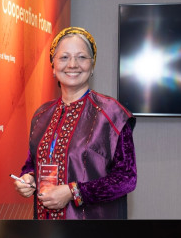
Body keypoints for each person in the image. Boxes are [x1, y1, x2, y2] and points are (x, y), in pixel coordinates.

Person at [13, 27, 137, 219]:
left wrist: (73, 192)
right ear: (53, 67)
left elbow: (126, 179)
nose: (72, 64)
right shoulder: (41, 115)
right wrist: (28, 177)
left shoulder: (112, 114)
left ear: (92, 65)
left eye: (81, 57)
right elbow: (32, 163)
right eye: (64, 58)